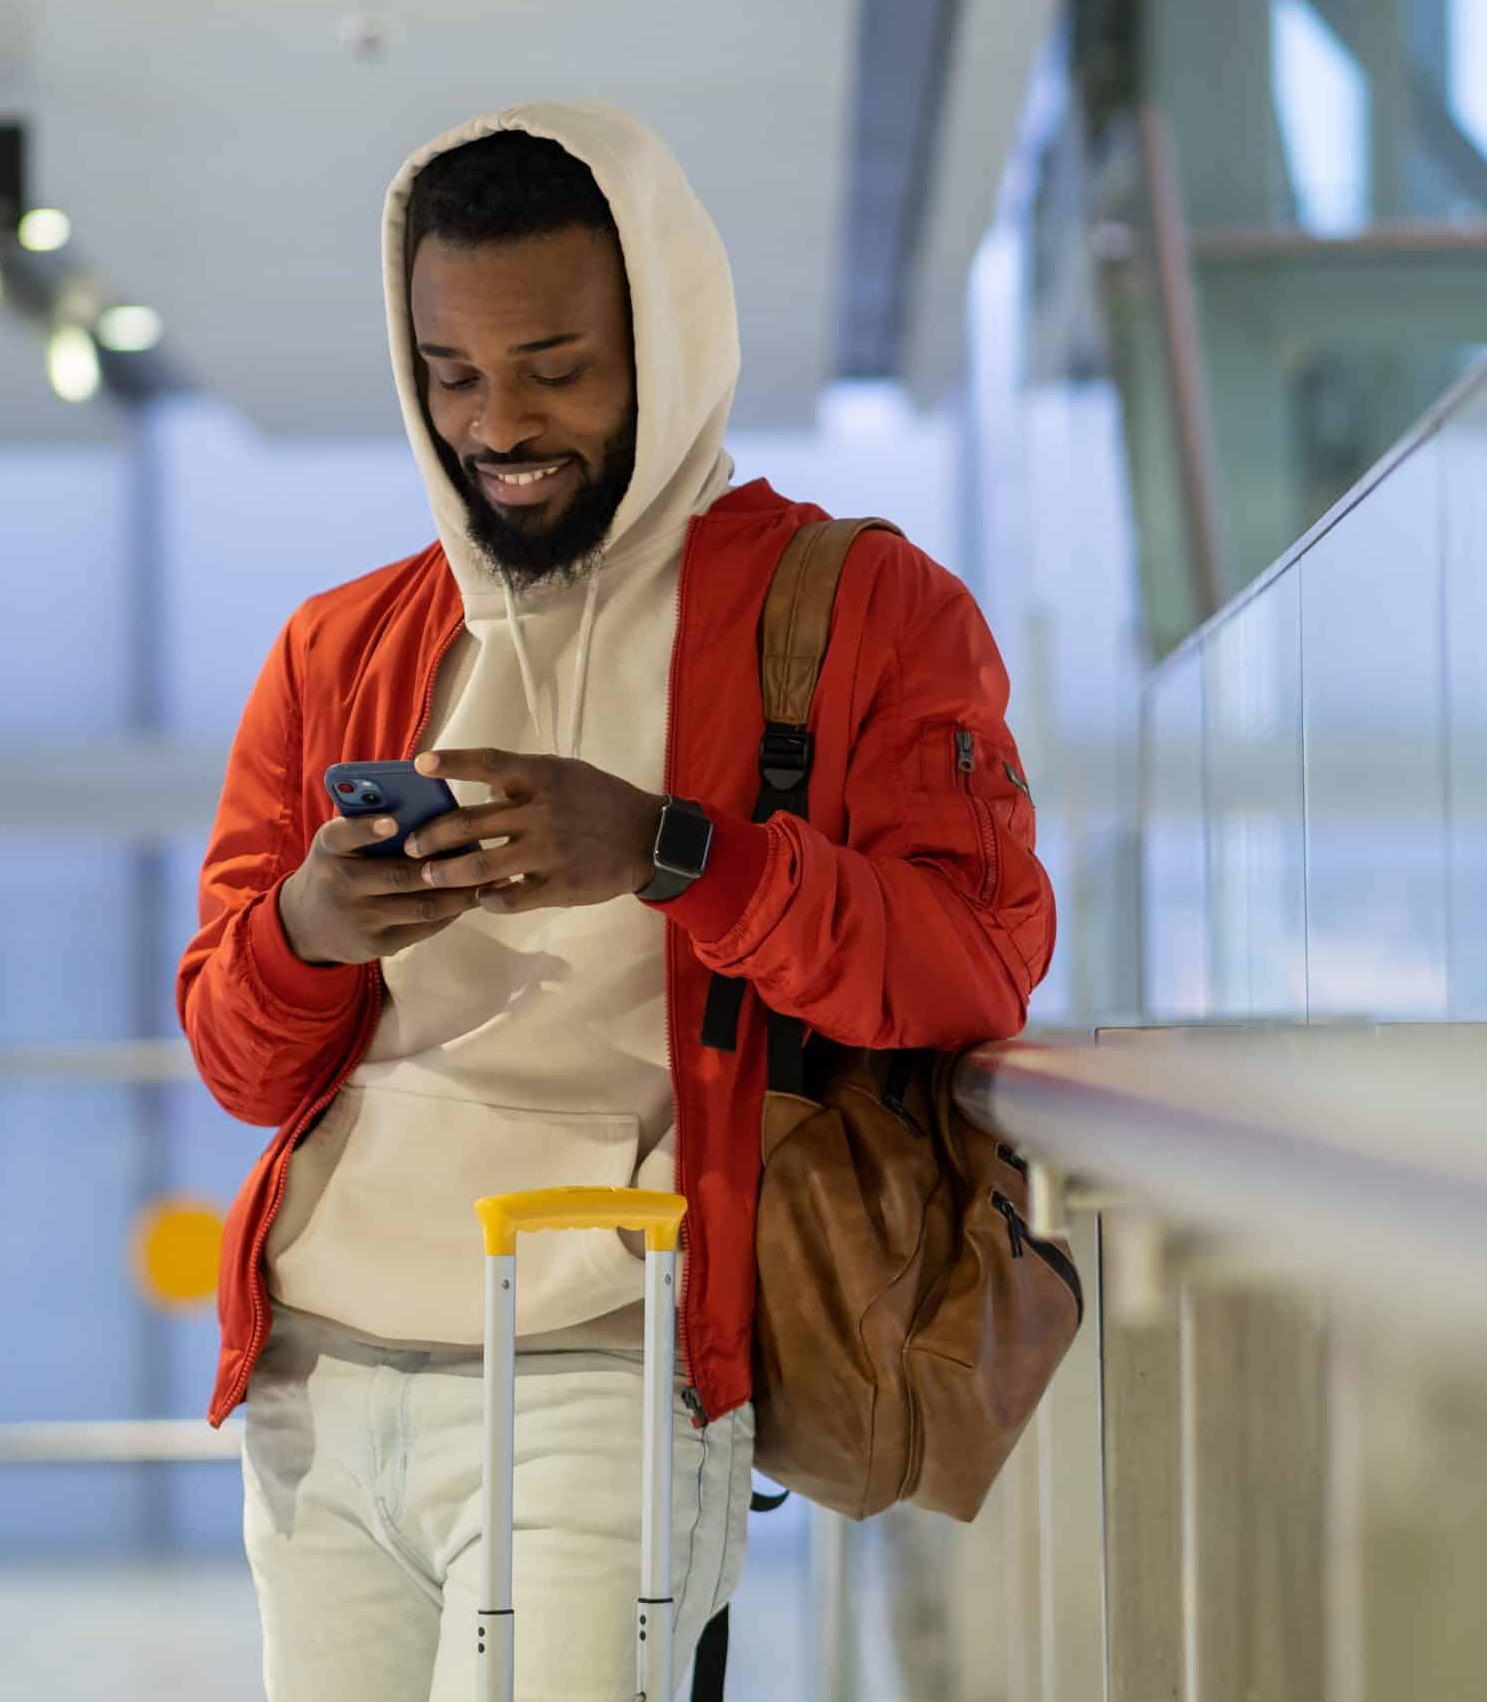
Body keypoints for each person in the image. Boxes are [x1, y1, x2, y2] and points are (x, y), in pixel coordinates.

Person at [176, 102, 1056, 1700]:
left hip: (601, 1355)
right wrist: (312, 929)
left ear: (669, 332)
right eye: (450, 376)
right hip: (316, 1373)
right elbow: (238, 1059)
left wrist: (670, 853)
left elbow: (977, 963)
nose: (497, 423)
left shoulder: (863, 610)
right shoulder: (341, 647)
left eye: (556, 366)